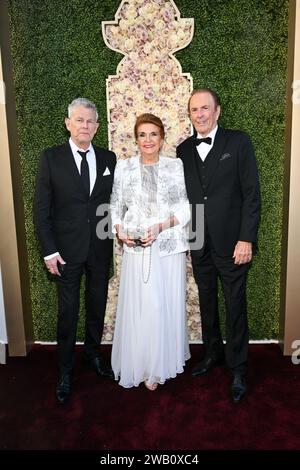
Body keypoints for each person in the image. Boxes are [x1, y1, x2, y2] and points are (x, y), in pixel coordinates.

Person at [177, 88, 261, 403]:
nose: (199, 114)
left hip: (233, 243)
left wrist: (246, 238)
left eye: (205, 108)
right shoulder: (183, 150)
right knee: (208, 301)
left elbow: (252, 194)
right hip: (198, 240)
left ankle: (238, 367)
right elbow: (182, 199)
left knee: (235, 304)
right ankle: (212, 354)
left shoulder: (239, 142)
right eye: (194, 110)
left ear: (217, 111)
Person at [34, 98, 116, 404]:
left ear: (96, 127)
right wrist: (49, 250)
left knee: (96, 307)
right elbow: (41, 211)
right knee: (68, 313)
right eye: (79, 120)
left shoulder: (109, 159)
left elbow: (112, 204)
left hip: (100, 248)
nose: (85, 125)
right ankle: (65, 371)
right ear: (68, 123)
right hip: (65, 253)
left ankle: (93, 357)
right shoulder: (51, 158)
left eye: (90, 121)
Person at [110, 113, 191, 390]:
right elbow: (115, 204)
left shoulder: (174, 166)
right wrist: (120, 229)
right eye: (142, 135)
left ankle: (159, 365)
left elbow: (185, 208)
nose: (148, 140)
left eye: (153, 134)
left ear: (162, 138)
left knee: (161, 304)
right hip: (135, 249)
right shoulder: (124, 167)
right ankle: (141, 363)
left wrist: (160, 227)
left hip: (167, 247)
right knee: (142, 306)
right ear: (136, 139)